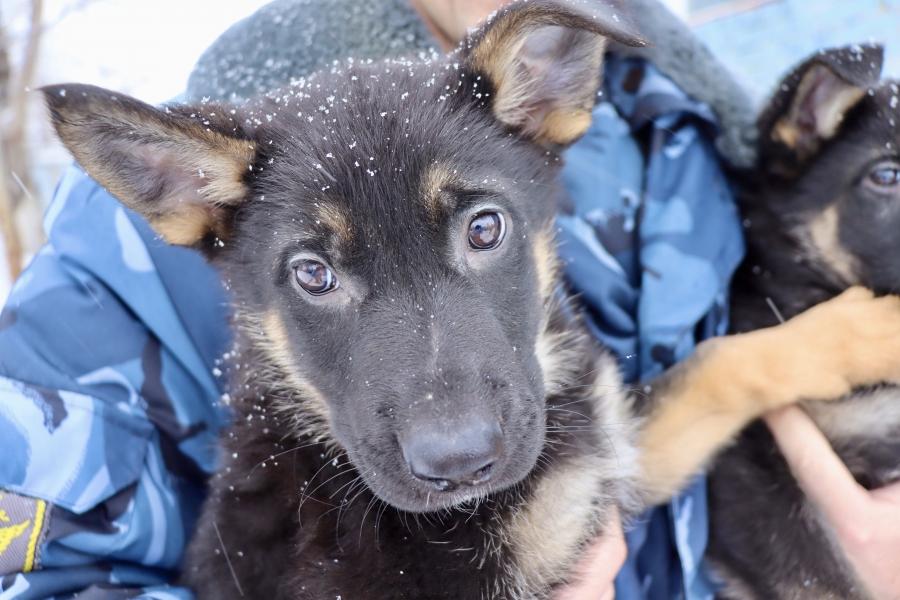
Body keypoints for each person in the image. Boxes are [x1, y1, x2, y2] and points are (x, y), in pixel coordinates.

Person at [0, 1, 896, 600]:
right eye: (318, 274)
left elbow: (638, 458)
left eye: (480, 233)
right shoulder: (164, 230)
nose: (452, 435)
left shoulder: (731, 151)